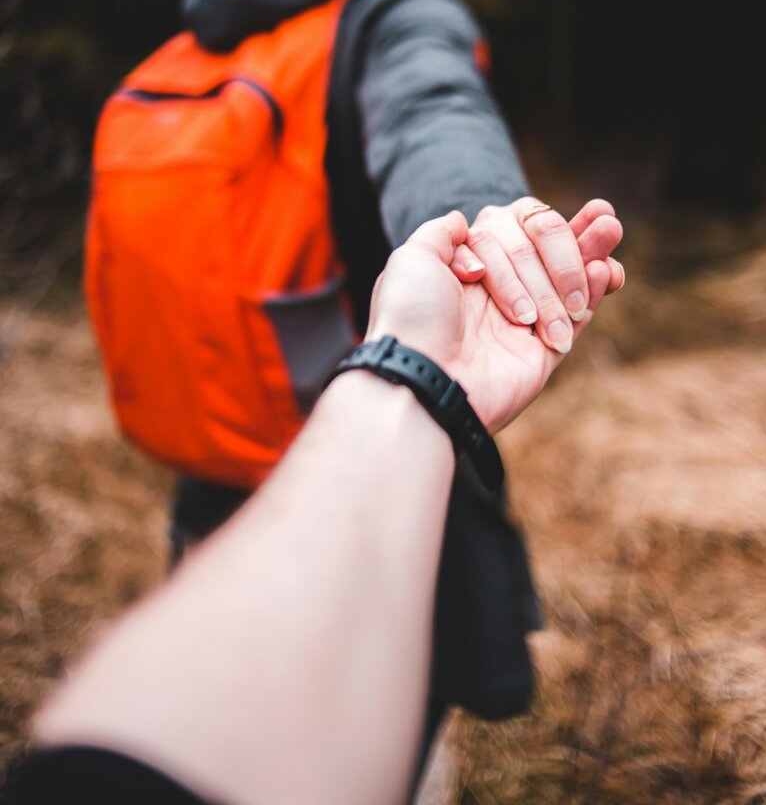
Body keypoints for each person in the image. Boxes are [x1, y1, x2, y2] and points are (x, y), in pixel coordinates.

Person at [82, 0, 625, 788]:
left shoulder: (205, 39)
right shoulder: (399, 9)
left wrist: (471, 206)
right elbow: (437, 112)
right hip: (385, 484)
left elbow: (434, 124)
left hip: (218, 492)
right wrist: (487, 223)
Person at [7, 206, 623, 805]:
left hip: (221, 476)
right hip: (326, 514)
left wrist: (420, 357)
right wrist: (511, 241)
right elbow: (440, 123)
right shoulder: (367, 94)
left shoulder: (163, 101)